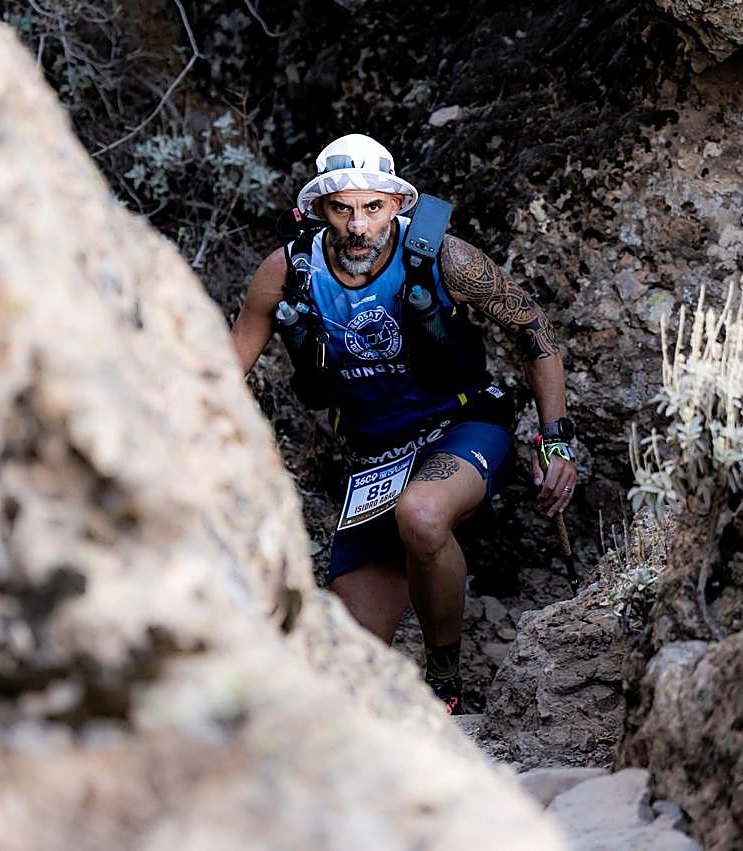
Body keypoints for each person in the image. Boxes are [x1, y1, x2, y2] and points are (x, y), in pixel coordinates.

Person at [230, 133, 577, 714]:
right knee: (346, 669)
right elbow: (224, 367)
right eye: (342, 209)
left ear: (396, 205)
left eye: (373, 207)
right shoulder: (286, 272)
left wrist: (556, 441)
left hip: (462, 425)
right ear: (319, 210)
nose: (358, 225)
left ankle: (444, 678)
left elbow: (534, 334)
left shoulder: (446, 257)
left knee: (420, 513)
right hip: (373, 457)